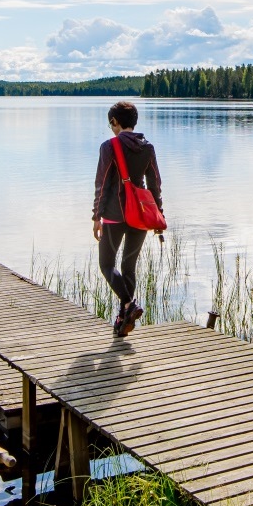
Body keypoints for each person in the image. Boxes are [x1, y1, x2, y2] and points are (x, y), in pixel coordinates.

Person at [93, 100, 163, 337]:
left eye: (110, 123)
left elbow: (102, 184)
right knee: (128, 267)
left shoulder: (109, 146)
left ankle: (128, 305)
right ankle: (124, 321)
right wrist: (158, 215)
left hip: (115, 215)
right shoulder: (147, 147)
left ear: (115, 121)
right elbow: (154, 185)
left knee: (106, 265)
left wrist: (96, 216)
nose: (111, 128)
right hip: (141, 216)